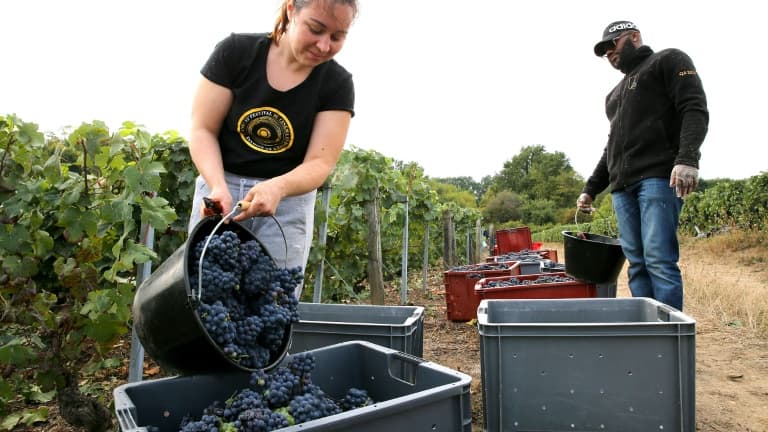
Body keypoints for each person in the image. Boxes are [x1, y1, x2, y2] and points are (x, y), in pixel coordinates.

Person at [187, 0, 358, 298]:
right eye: (315, 29)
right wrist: (217, 186)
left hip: (287, 200)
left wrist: (278, 187)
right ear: (291, 10)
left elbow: (320, 163)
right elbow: (203, 130)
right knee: (203, 293)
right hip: (221, 189)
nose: (323, 45)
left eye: (336, 37)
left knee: (272, 303)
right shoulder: (236, 53)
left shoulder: (337, 83)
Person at [577, 20, 708, 311]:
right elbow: (612, 146)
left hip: (657, 178)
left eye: (612, 45)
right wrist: (590, 189)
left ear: (634, 37)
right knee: (636, 263)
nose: (609, 53)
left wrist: (687, 158)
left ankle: (669, 330)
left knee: (658, 258)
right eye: (604, 51)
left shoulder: (668, 60)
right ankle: (645, 326)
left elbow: (694, 107)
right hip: (622, 188)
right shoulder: (614, 95)